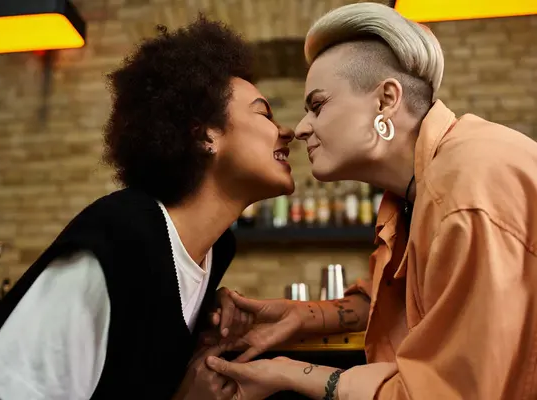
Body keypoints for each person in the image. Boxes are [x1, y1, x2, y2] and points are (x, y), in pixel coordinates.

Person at [0, 16, 295, 400]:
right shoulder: (122, 237)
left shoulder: (216, 249)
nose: (287, 130)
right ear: (204, 134)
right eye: (264, 112)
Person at [204, 3, 537, 400]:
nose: (302, 128)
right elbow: (413, 298)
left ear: (386, 100)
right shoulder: (415, 191)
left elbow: (445, 393)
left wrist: (291, 374)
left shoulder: (465, 192)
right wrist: (303, 316)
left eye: (318, 105)